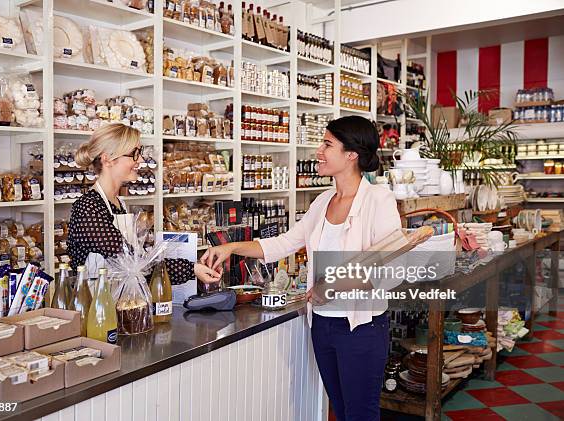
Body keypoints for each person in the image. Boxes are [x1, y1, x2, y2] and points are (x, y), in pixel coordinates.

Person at [201, 116, 402, 421]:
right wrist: (230, 246)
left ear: (351, 155)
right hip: (322, 324)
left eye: (327, 144)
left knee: (361, 414)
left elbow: (391, 268)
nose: (318, 151)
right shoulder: (323, 201)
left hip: (361, 328)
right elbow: (284, 243)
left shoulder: (379, 201)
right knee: (342, 408)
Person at [68, 123, 220, 285]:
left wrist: (193, 267)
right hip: (96, 304)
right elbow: (132, 262)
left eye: (139, 153)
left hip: (123, 299)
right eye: (134, 153)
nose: (140, 159)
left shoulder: (119, 203)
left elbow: (135, 259)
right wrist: (191, 269)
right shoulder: (88, 208)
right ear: (108, 159)